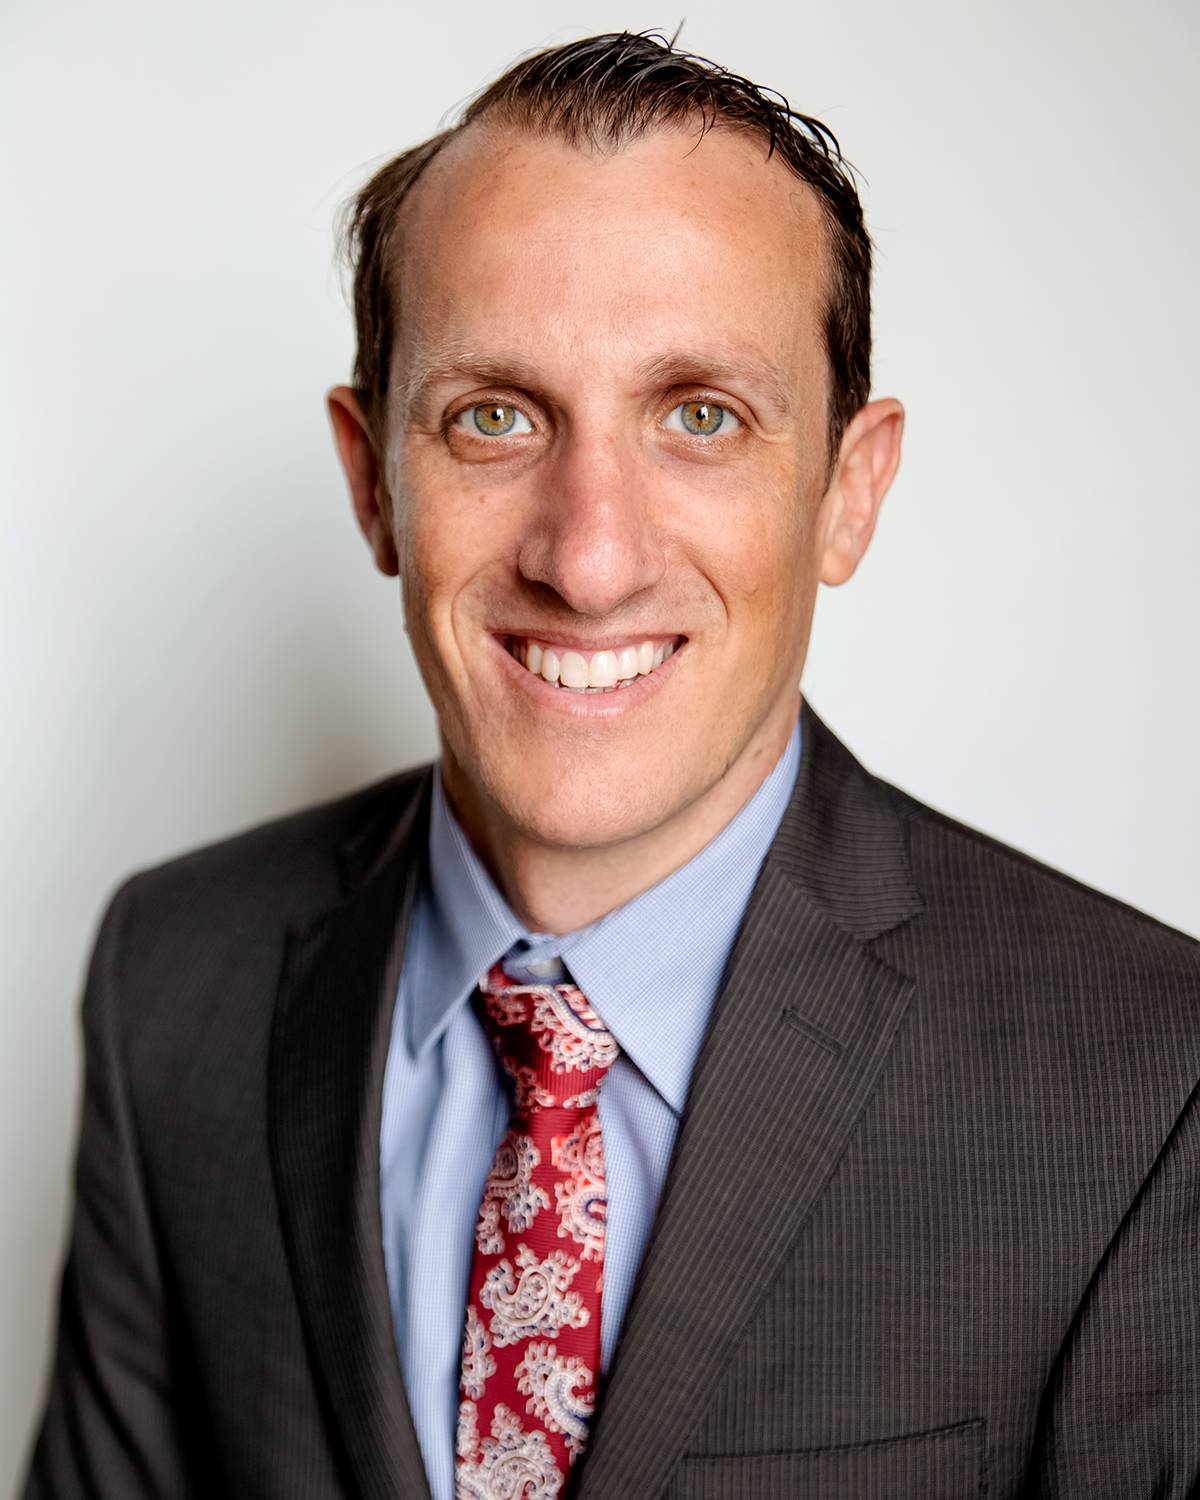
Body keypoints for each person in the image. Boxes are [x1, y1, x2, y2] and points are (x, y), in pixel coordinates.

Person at [23, 31, 1200, 1500]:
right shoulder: (172, 981)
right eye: (494, 417)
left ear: (849, 492)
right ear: (371, 480)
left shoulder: (1146, 1087)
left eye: (701, 416)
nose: (587, 560)